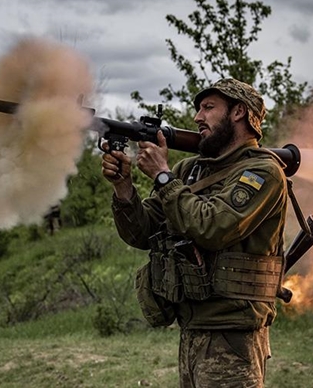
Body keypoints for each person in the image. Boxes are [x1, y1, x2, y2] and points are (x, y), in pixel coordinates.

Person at [101, 79, 288, 388]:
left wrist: (163, 176)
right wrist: (123, 188)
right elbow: (143, 233)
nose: (198, 117)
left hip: (233, 336)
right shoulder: (191, 170)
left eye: (208, 108)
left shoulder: (262, 173)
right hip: (192, 329)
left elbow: (213, 227)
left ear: (239, 112)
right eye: (198, 109)